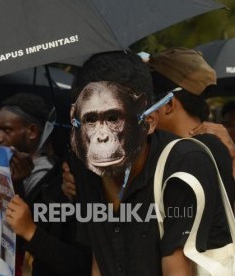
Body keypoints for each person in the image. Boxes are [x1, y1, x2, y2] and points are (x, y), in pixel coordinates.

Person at [63, 51, 233, 275]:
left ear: (149, 122)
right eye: (89, 120)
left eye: (114, 118)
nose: (100, 135)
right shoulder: (83, 166)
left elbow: (177, 269)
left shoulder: (185, 162)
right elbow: (100, 259)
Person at [0, 93, 91, 275]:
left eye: (6, 130)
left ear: (33, 131)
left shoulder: (51, 178)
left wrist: (29, 230)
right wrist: (9, 197)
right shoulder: (52, 181)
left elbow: (79, 263)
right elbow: (23, 231)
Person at [148, 47, 235, 202]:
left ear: (168, 104)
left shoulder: (190, 154)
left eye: (148, 101)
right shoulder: (208, 147)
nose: (144, 110)